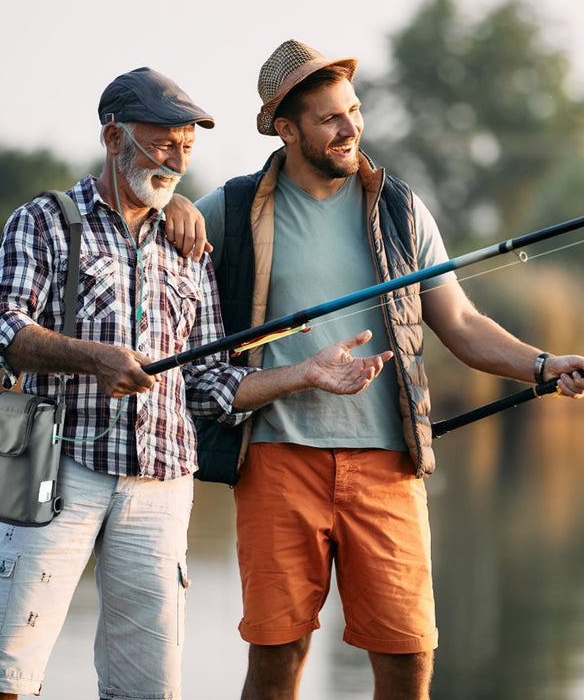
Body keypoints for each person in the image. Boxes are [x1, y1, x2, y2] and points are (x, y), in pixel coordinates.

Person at [0, 66, 394, 700]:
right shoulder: (45, 220)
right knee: (2, 676)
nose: (176, 159)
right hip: (54, 472)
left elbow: (210, 384)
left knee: (148, 692)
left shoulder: (189, 240)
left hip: (162, 484)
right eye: (162, 142)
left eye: (187, 145)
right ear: (113, 139)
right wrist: (96, 359)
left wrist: (307, 375)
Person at [174, 40, 584, 699]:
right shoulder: (235, 206)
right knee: (278, 660)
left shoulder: (400, 207)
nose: (351, 127)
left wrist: (542, 363)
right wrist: (174, 208)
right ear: (287, 129)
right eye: (330, 118)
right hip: (278, 463)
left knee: (409, 660)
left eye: (355, 111)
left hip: (389, 467)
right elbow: (168, 230)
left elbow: (461, 324)